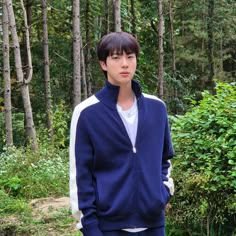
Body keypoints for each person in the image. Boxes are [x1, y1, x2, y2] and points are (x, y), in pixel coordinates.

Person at [69, 31, 174, 236]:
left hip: (154, 225)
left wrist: (163, 192)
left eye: (130, 57)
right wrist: (89, 226)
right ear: (103, 64)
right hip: (108, 228)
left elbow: (165, 159)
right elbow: (80, 174)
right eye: (116, 58)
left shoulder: (157, 108)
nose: (124, 64)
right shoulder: (86, 113)